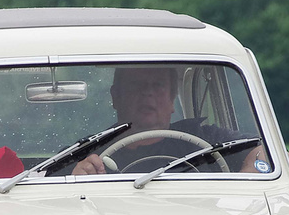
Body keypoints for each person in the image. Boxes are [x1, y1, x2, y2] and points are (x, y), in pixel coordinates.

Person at [72, 66, 270, 175]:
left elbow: (269, 153)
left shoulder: (205, 138)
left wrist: (250, 176)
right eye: (136, 85)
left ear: (171, 99)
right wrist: (77, 179)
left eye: (157, 86)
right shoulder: (88, 154)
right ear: (116, 97)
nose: (147, 93)